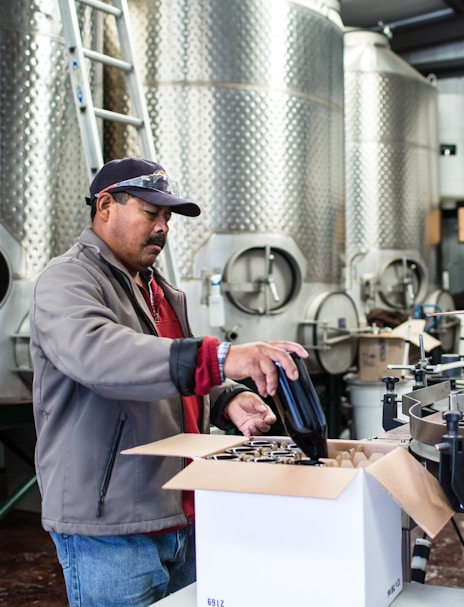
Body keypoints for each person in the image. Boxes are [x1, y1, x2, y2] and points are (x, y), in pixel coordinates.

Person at [29, 157, 309, 606]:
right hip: (113, 528)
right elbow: (102, 356)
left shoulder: (158, 289)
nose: (162, 228)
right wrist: (222, 358)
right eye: (150, 213)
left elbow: (175, 371)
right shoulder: (67, 281)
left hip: (181, 513)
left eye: (167, 218)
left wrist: (228, 399)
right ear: (105, 206)